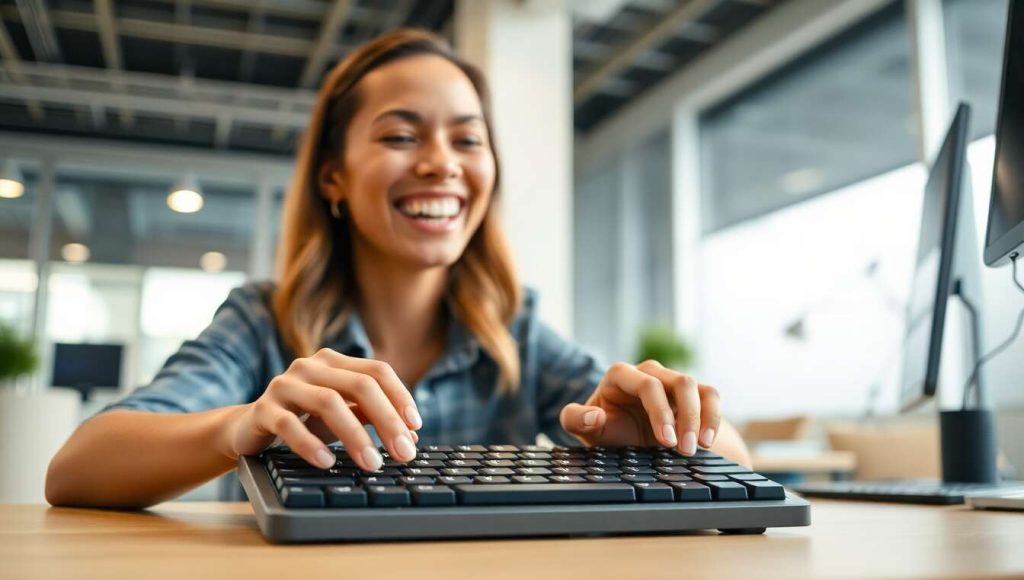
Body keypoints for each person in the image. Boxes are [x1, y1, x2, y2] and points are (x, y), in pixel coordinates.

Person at [45, 29, 750, 509]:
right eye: (401, 135)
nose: (441, 162)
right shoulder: (262, 320)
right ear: (333, 176)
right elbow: (76, 467)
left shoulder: (515, 330)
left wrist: (668, 432)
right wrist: (241, 426)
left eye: (467, 139)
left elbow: (738, 463)